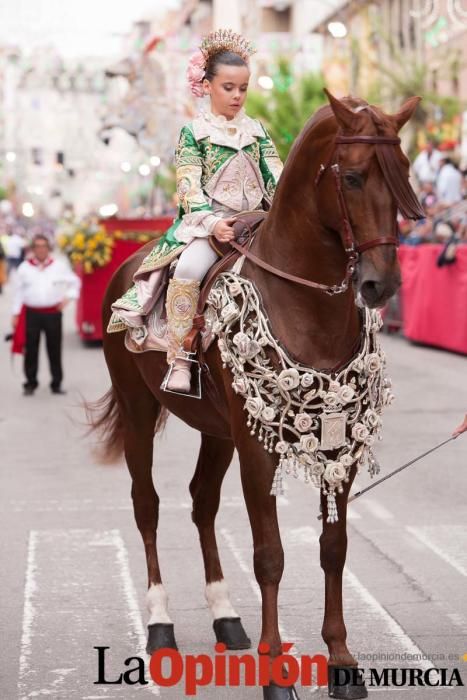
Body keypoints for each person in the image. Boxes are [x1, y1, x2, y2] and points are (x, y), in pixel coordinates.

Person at [108, 29, 283, 394]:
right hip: (210, 226)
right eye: (228, 87)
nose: (237, 96)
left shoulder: (258, 131)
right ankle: (181, 356)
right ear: (206, 86)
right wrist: (214, 223)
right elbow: (188, 188)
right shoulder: (193, 133)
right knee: (188, 266)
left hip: (258, 222)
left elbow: (276, 178)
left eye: (243, 88)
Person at [12, 233, 81, 396]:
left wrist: (68, 297)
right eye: (37, 246)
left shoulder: (59, 265)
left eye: (44, 246)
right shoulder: (24, 267)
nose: (41, 249)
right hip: (31, 314)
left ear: (48, 248)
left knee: (54, 349)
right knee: (31, 350)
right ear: (33, 249)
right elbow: (18, 292)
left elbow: (75, 282)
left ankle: (56, 383)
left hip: (53, 314)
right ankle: (30, 383)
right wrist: (15, 314)